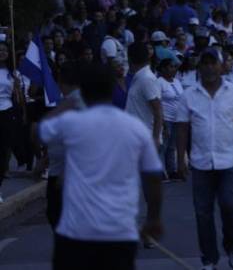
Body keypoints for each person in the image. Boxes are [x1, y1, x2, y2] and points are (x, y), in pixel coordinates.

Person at [39, 63, 163, 269]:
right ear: (112, 89)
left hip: (76, 233)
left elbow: (40, 131)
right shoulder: (135, 128)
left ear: (83, 90)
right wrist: (154, 218)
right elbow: (153, 176)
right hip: (119, 232)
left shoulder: (71, 123)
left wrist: (68, 103)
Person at [176, 47, 233, 270]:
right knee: (203, 213)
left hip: (229, 161)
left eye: (213, 63)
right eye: (205, 63)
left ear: (221, 66)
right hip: (200, 163)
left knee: (229, 205)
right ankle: (209, 258)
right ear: (199, 67)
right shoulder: (188, 95)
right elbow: (182, 129)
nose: (209, 67)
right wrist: (181, 159)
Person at [44, 61, 86, 227]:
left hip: (68, 172)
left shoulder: (77, 104)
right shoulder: (67, 101)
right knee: (56, 215)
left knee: (59, 215)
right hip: (58, 168)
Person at [124, 42, 163, 150]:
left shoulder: (146, 79)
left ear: (130, 58)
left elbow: (158, 111)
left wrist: (155, 140)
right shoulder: (139, 77)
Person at [0, 41, 22, 203]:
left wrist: (18, 88)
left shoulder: (13, 73)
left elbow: (19, 98)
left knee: (3, 150)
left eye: (5, 50)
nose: (2, 52)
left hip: (7, 111)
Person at [157, 57, 183, 180]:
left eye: (174, 67)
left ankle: (171, 170)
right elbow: (157, 102)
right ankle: (160, 171)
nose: (173, 69)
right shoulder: (159, 82)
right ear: (163, 69)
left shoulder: (177, 81)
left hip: (177, 119)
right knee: (164, 146)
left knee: (172, 146)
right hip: (166, 118)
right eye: (170, 66)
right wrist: (162, 123)